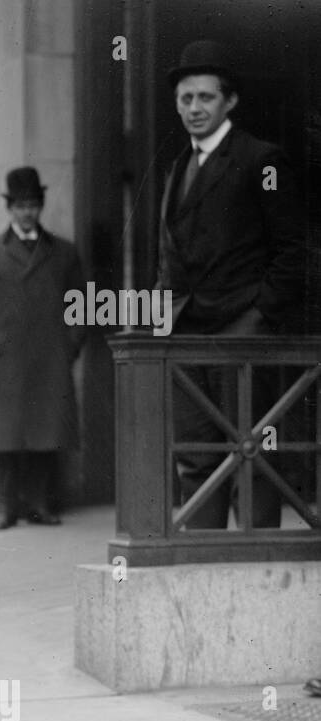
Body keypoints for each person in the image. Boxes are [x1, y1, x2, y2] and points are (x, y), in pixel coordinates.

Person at [158, 40, 305, 528]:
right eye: (185, 99)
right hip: (187, 334)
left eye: (205, 98)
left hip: (243, 333)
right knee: (198, 453)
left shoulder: (262, 159)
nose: (194, 109)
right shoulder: (177, 168)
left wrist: (258, 319)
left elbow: (293, 251)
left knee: (252, 450)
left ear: (230, 102)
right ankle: (204, 558)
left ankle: (258, 562)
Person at [0, 167, 87, 529]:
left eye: (33, 204)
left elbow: (80, 307)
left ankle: (40, 505)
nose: (26, 212)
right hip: (7, 359)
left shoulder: (64, 253)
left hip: (50, 356)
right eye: (20, 205)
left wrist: (68, 347)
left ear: (40, 206)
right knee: (7, 438)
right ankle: (6, 508)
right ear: (9, 208)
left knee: (45, 435)